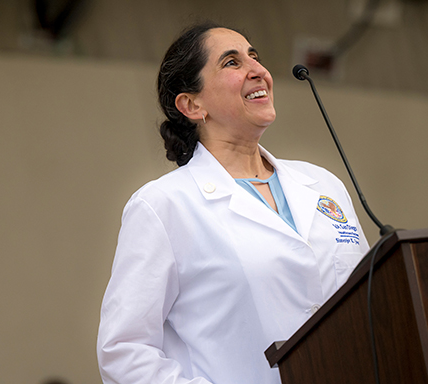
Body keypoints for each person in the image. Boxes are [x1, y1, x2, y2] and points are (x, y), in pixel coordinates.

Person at [96, 21, 370, 384]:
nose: (258, 71)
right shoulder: (163, 206)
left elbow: (372, 300)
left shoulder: (323, 185)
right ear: (192, 104)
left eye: (254, 56)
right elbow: (124, 351)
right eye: (232, 62)